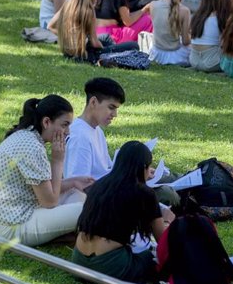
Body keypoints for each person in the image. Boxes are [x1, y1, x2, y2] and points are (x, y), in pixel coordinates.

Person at [0, 95, 94, 246]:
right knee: (88, 210)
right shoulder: (32, 147)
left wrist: (73, 182)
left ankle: (63, 234)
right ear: (47, 122)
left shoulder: (27, 136)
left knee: (76, 192)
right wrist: (57, 160)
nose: (68, 132)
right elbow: (50, 202)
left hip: (20, 212)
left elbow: (46, 190)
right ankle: (64, 236)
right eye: (64, 125)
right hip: (11, 227)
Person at [64, 78, 180, 206]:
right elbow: (80, 186)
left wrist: (137, 172)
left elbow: (109, 169)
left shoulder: (96, 130)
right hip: (106, 197)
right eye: (111, 107)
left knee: (172, 178)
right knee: (167, 193)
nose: (115, 114)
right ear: (93, 102)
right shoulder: (80, 137)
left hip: (113, 187)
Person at [73, 141, 175, 283]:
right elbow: (162, 240)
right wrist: (167, 220)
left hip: (79, 260)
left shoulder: (100, 185)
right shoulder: (144, 193)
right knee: (152, 258)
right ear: (143, 167)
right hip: (110, 265)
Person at [49, 0, 138, 64]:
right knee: (134, 45)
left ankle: (111, 52)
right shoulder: (89, 11)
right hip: (86, 55)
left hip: (69, 53)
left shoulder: (68, 5)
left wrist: (67, 37)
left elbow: (50, 26)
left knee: (105, 37)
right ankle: (110, 56)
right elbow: (95, 42)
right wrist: (105, 49)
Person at [143, 0, 191, 66]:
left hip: (156, 55)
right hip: (177, 57)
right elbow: (186, 41)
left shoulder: (153, 5)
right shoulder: (185, 11)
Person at [188, 0, 232, 72]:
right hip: (212, 62)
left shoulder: (197, 16)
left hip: (194, 60)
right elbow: (226, 44)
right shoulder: (220, 16)